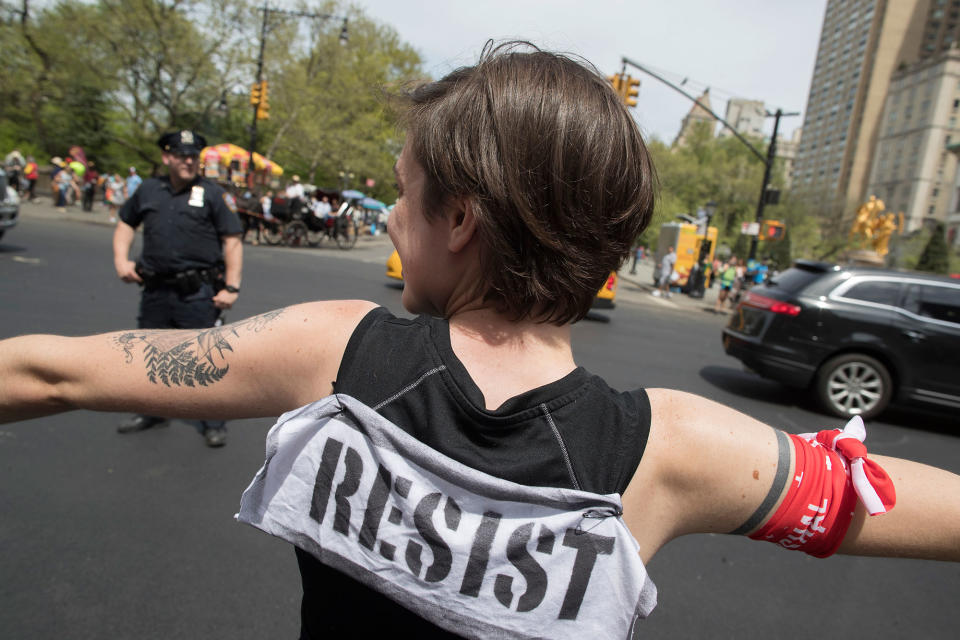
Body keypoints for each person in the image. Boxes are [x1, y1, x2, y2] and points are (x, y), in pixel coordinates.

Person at [0, 43, 957, 638]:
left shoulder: (333, 352)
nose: (389, 224)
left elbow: (49, 371)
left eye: (404, 195)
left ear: (458, 217)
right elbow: (880, 500)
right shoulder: (672, 452)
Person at [110, 129, 243, 447]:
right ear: (166, 157)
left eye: (193, 156)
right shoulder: (148, 190)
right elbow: (125, 223)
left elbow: (232, 240)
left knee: (204, 358)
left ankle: (212, 420)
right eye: (181, 155)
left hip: (196, 291)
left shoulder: (212, 193)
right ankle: (152, 412)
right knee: (149, 354)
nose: (188, 161)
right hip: (155, 289)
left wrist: (233, 286)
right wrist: (121, 260)